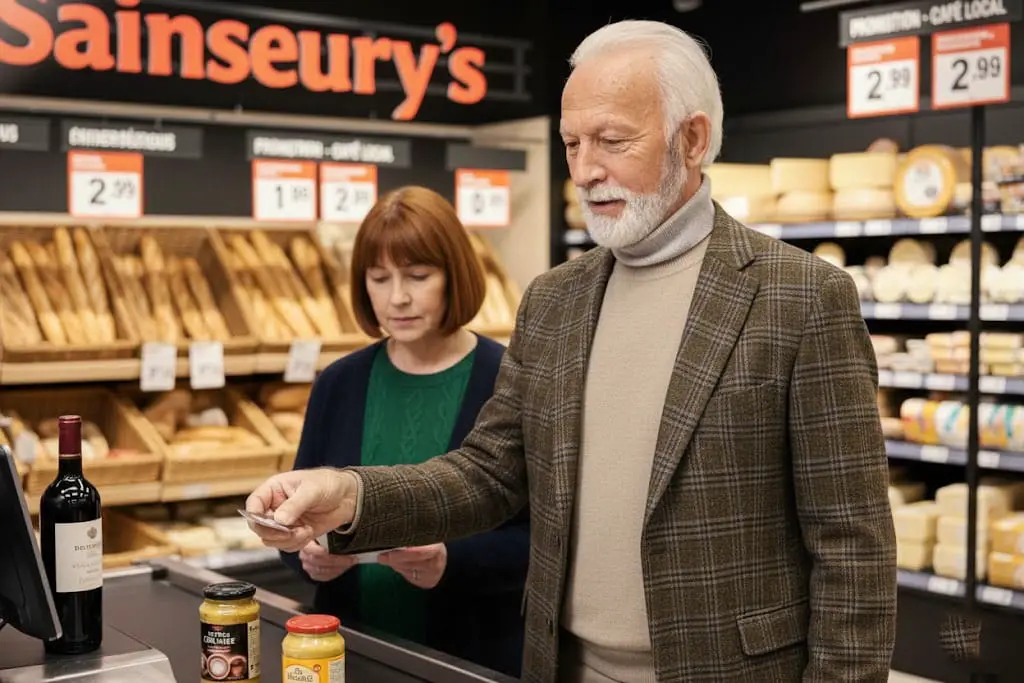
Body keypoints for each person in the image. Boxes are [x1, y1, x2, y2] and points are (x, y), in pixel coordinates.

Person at [247, 20, 898, 683]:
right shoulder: (555, 300)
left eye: (613, 141)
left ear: (693, 139)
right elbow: (488, 473)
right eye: (572, 143)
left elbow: (853, 548)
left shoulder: (802, 297)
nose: (586, 170)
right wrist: (350, 493)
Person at [279, 185, 528, 677]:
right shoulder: (339, 382)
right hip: (348, 650)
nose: (398, 297)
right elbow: (300, 514)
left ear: (454, 276)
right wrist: (307, 555)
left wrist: (450, 561)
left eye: (419, 275)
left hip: (471, 656)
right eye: (379, 277)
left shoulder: (507, 380)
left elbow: (544, 541)